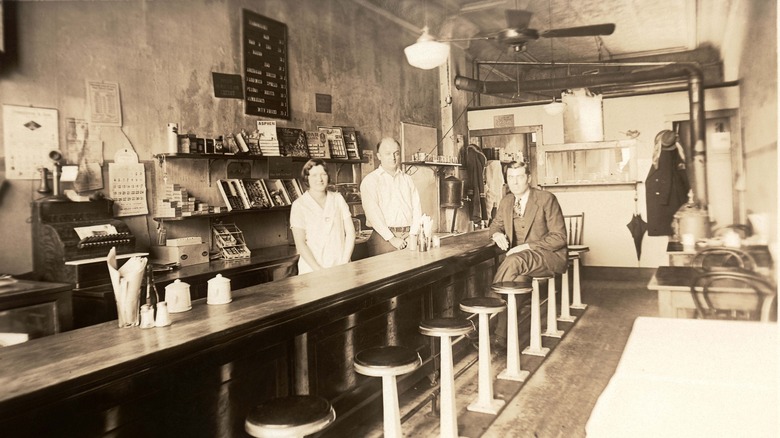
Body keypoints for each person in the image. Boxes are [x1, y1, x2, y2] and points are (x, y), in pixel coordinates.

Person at [290, 159, 355, 275]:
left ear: (328, 177)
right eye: (314, 175)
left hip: (340, 265)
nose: (319, 179)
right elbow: (300, 243)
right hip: (312, 270)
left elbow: (350, 233)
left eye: (323, 174)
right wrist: (318, 270)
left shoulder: (337, 199)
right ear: (307, 178)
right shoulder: (299, 205)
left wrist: (344, 262)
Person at [360, 137, 422, 256]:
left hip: (409, 237)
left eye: (396, 153)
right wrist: (392, 239)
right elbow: (373, 216)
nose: (393, 157)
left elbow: (417, 208)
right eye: (388, 154)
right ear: (379, 156)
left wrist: (413, 234)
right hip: (383, 239)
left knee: (411, 273)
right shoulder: (371, 181)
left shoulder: (407, 179)